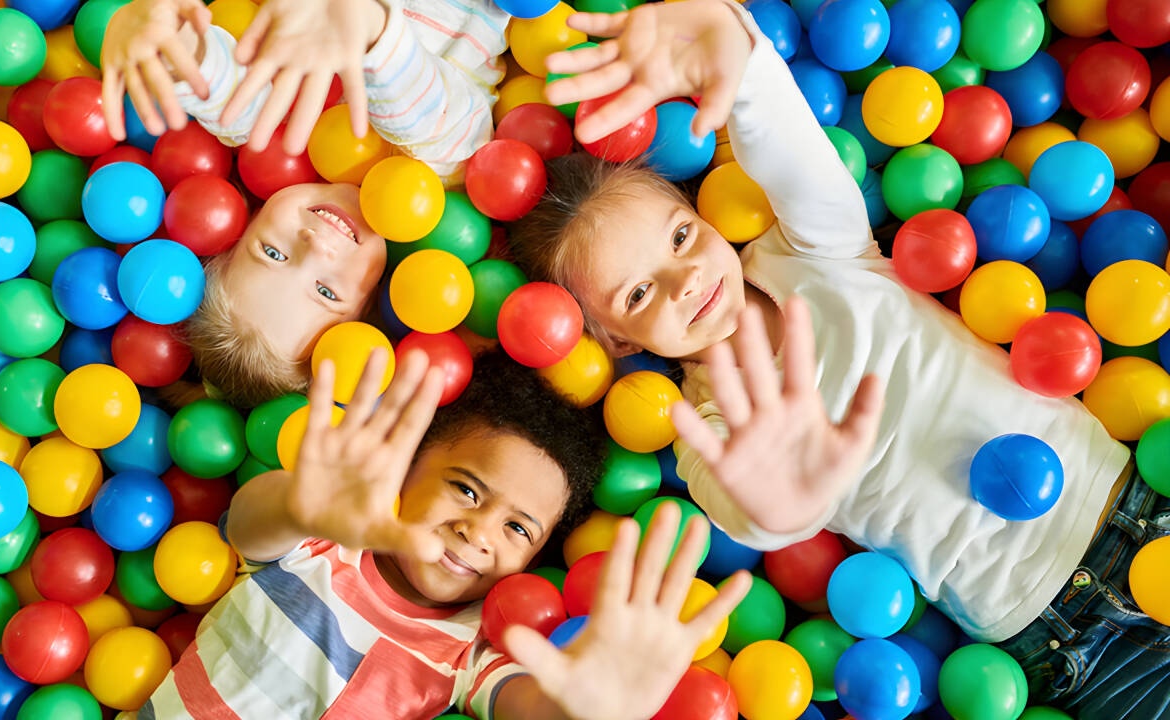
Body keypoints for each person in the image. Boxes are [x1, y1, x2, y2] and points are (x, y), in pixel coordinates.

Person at [506, 0, 1170, 715]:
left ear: (702, 215)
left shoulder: (813, 257)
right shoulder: (705, 429)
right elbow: (757, 514)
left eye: (679, 238)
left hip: (1136, 503)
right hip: (1053, 635)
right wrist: (783, 505)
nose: (686, 279)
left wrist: (738, 52)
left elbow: (789, 150)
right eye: (638, 294)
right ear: (618, 342)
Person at [129, 349, 752, 719]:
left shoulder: (471, 646)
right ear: (407, 467)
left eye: (516, 528)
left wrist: (587, 707)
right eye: (467, 489)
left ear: (536, 559)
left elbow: (527, 705)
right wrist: (302, 503)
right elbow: (248, 525)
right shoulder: (325, 541)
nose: (478, 530)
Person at [99, 0, 508, 406]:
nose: (315, 246)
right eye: (326, 292)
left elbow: (224, 91)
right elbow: (437, 113)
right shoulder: (442, 177)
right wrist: (366, 29)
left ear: (242, 225)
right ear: (370, 307)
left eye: (272, 252)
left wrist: (162, 39)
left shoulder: (280, 131)